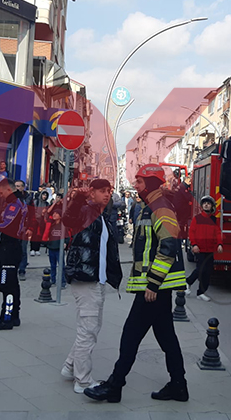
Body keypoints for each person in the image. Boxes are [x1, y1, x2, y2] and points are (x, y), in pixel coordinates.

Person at [84, 164, 188, 403]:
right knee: (167, 338)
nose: (134, 185)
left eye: (139, 181)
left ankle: (115, 385)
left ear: (150, 183)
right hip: (156, 288)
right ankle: (179, 386)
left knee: (130, 335)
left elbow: (169, 247)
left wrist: (152, 284)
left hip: (154, 288)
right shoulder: (150, 206)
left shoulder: (160, 207)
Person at [60, 179, 123, 394]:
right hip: (85, 279)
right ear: (92, 193)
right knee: (87, 331)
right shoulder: (85, 211)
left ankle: (69, 367)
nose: (107, 195)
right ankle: (83, 380)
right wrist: (78, 197)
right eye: (102, 191)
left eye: (109, 191)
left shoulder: (103, 216)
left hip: (97, 279)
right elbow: (68, 219)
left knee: (91, 329)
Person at [0, 179, 27, 330]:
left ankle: (6, 318)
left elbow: (6, 224)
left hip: (9, 249)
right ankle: (14, 315)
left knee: (7, 284)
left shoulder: (14, 204)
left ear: (8, 190)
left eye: (1, 191)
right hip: (10, 247)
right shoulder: (16, 202)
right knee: (13, 284)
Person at [186, 195, 223, 301]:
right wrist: (194, 245)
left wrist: (219, 244)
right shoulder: (197, 219)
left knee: (208, 271)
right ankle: (188, 282)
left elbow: (218, 233)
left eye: (208, 203)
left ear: (212, 206)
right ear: (202, 206)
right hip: (200, 249)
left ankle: (201, 292)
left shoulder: (214, 220)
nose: (206, 205)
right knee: (200, 269)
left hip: (210, 249)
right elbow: (191, 232)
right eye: (204, 203)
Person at [41, 200, 67, 288]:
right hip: (51, 247)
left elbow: (67, 236)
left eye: (56, 214)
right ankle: (53, 280)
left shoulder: (63, 225)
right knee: (52, 266)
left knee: (61, 266)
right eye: (54, 213)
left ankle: (63, 281)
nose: (54, 215)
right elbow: (47, 215)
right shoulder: (51, 224)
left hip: (59, 248)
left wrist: (66, 243)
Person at [29, 190, 50, 257]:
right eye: (43, 195)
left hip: (42, 221)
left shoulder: (47, 204)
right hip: (35, 220)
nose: (44, 196)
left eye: (46, 195)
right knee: (34, 235)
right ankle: (32, 249)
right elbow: (33, 211)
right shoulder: (36, 202)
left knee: (39, 235)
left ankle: (37, 249)